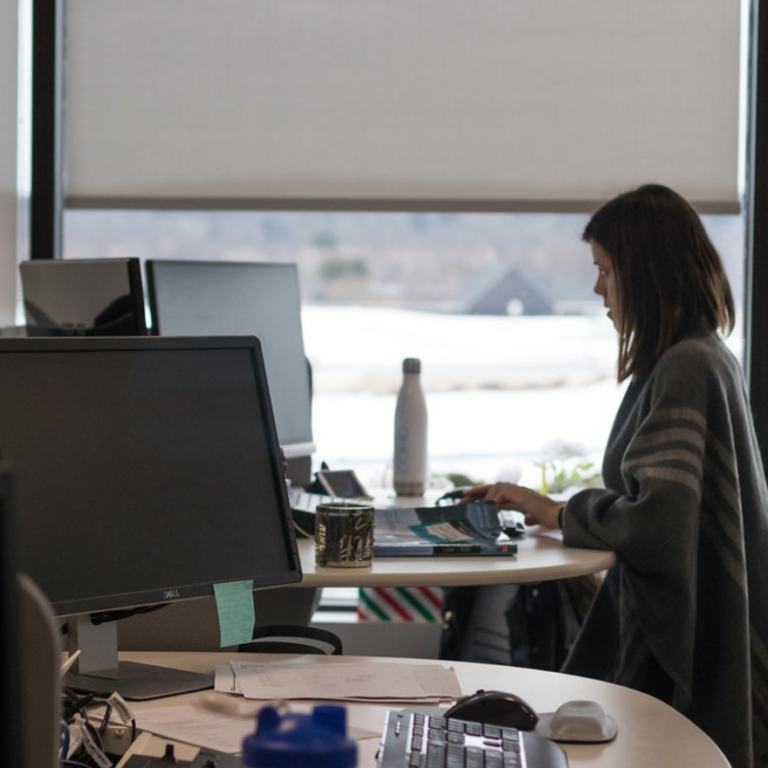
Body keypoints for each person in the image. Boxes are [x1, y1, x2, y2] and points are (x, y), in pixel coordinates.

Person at [462, 184, 768, 768]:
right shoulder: (701, 355)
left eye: (605, 269)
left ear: (645, 274)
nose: (598, 287)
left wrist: (554, 512)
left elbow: (657, 525)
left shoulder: (685, 367)